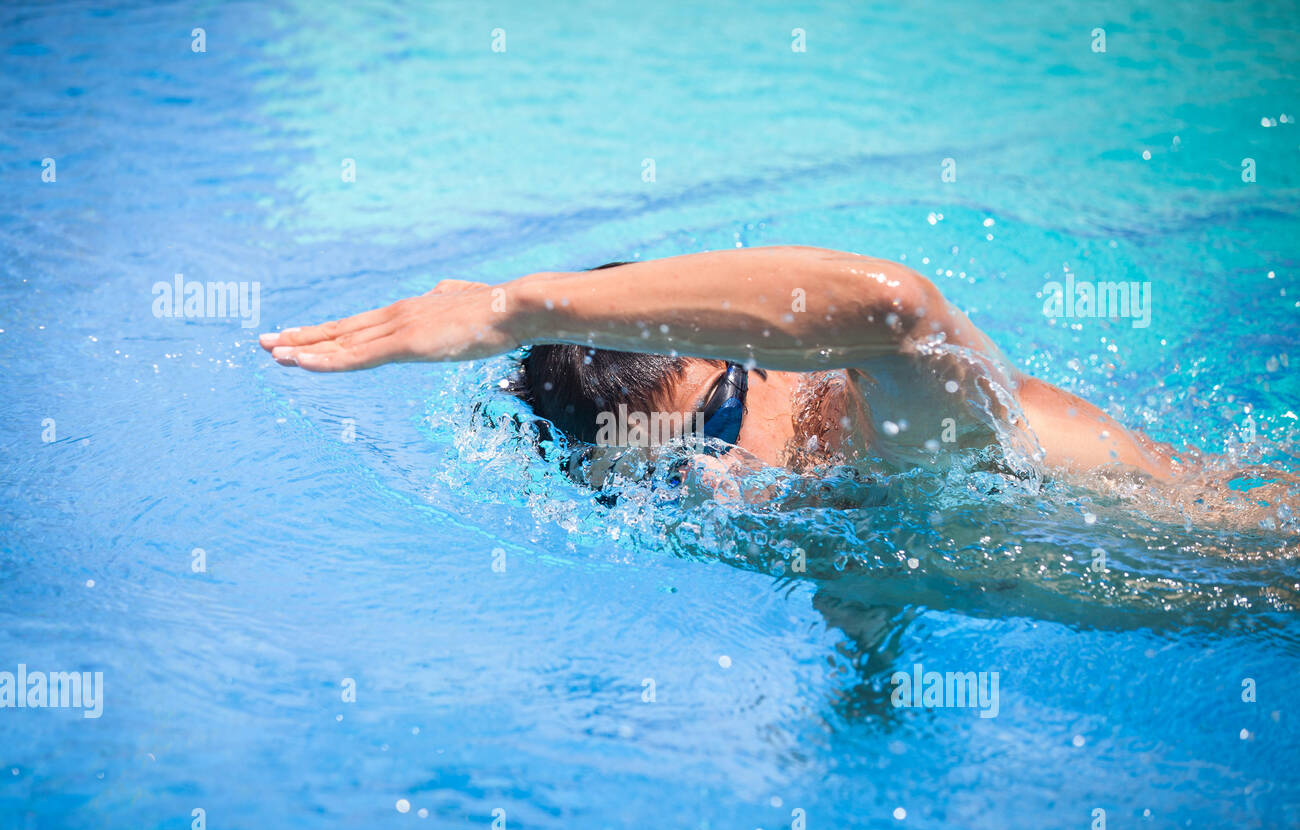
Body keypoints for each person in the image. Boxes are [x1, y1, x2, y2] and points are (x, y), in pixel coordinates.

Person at [258, 245, 1182, 482]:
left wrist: (519, 306)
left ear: (767, 359)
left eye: (719, 419)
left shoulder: (878, 408)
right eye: (667, 468)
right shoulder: (849, 470)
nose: (717, 468)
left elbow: (899, 311)